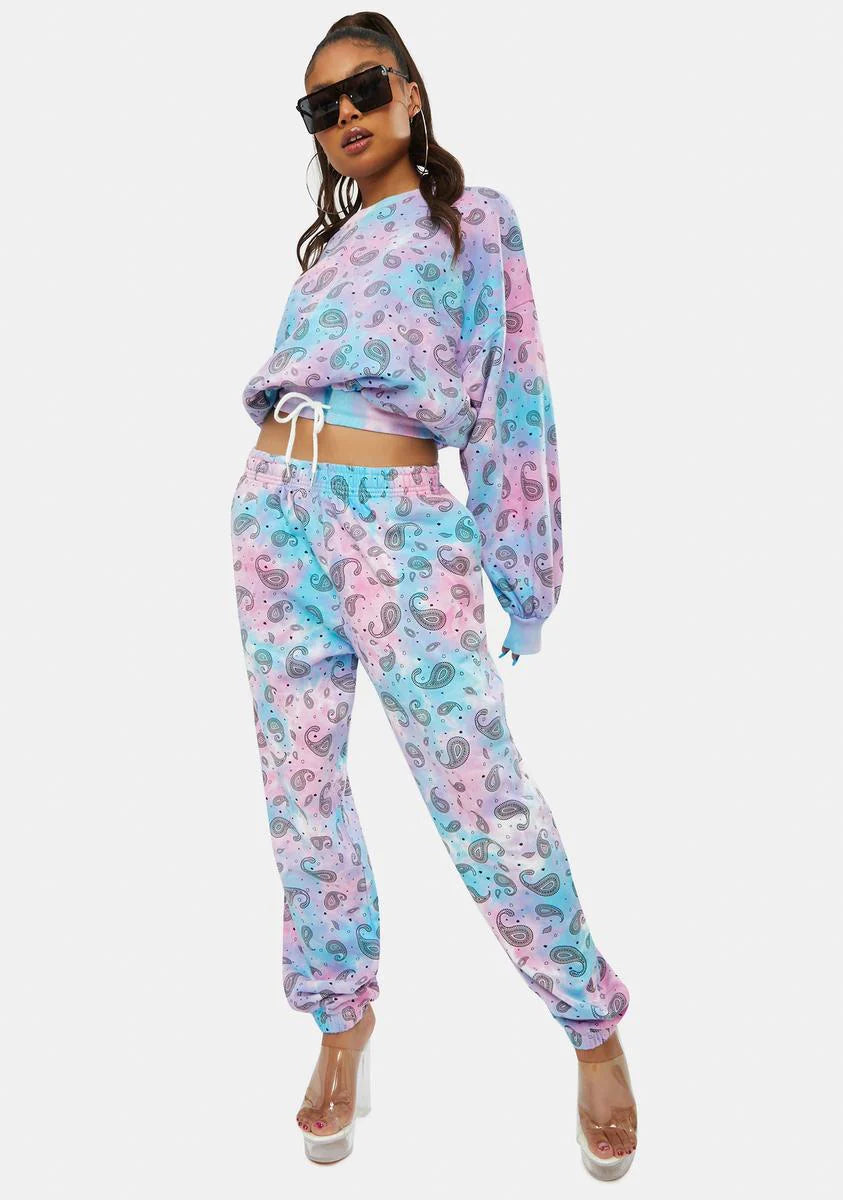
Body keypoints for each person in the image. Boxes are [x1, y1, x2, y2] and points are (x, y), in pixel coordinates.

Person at [229, 12, 637, 1177]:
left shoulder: (476, 221)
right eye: (322, 107)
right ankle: (339, 1020)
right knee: (300, 789)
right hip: (275, 515)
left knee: (478, 787)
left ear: (410, 92)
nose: (346, 117)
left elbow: (515, 397)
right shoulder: (326, 254)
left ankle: (591, 1023)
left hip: (400, 526)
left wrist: (526, 574)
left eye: (364, 89)